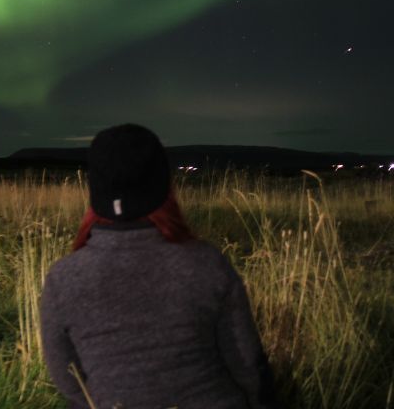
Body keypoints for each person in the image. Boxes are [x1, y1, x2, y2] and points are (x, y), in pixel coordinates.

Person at [40, 123, 277, 409]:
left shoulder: (63, 278)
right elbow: (248, 365)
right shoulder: (206, 263)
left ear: (95, 191)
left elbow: (68, 380)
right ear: (163, 186)